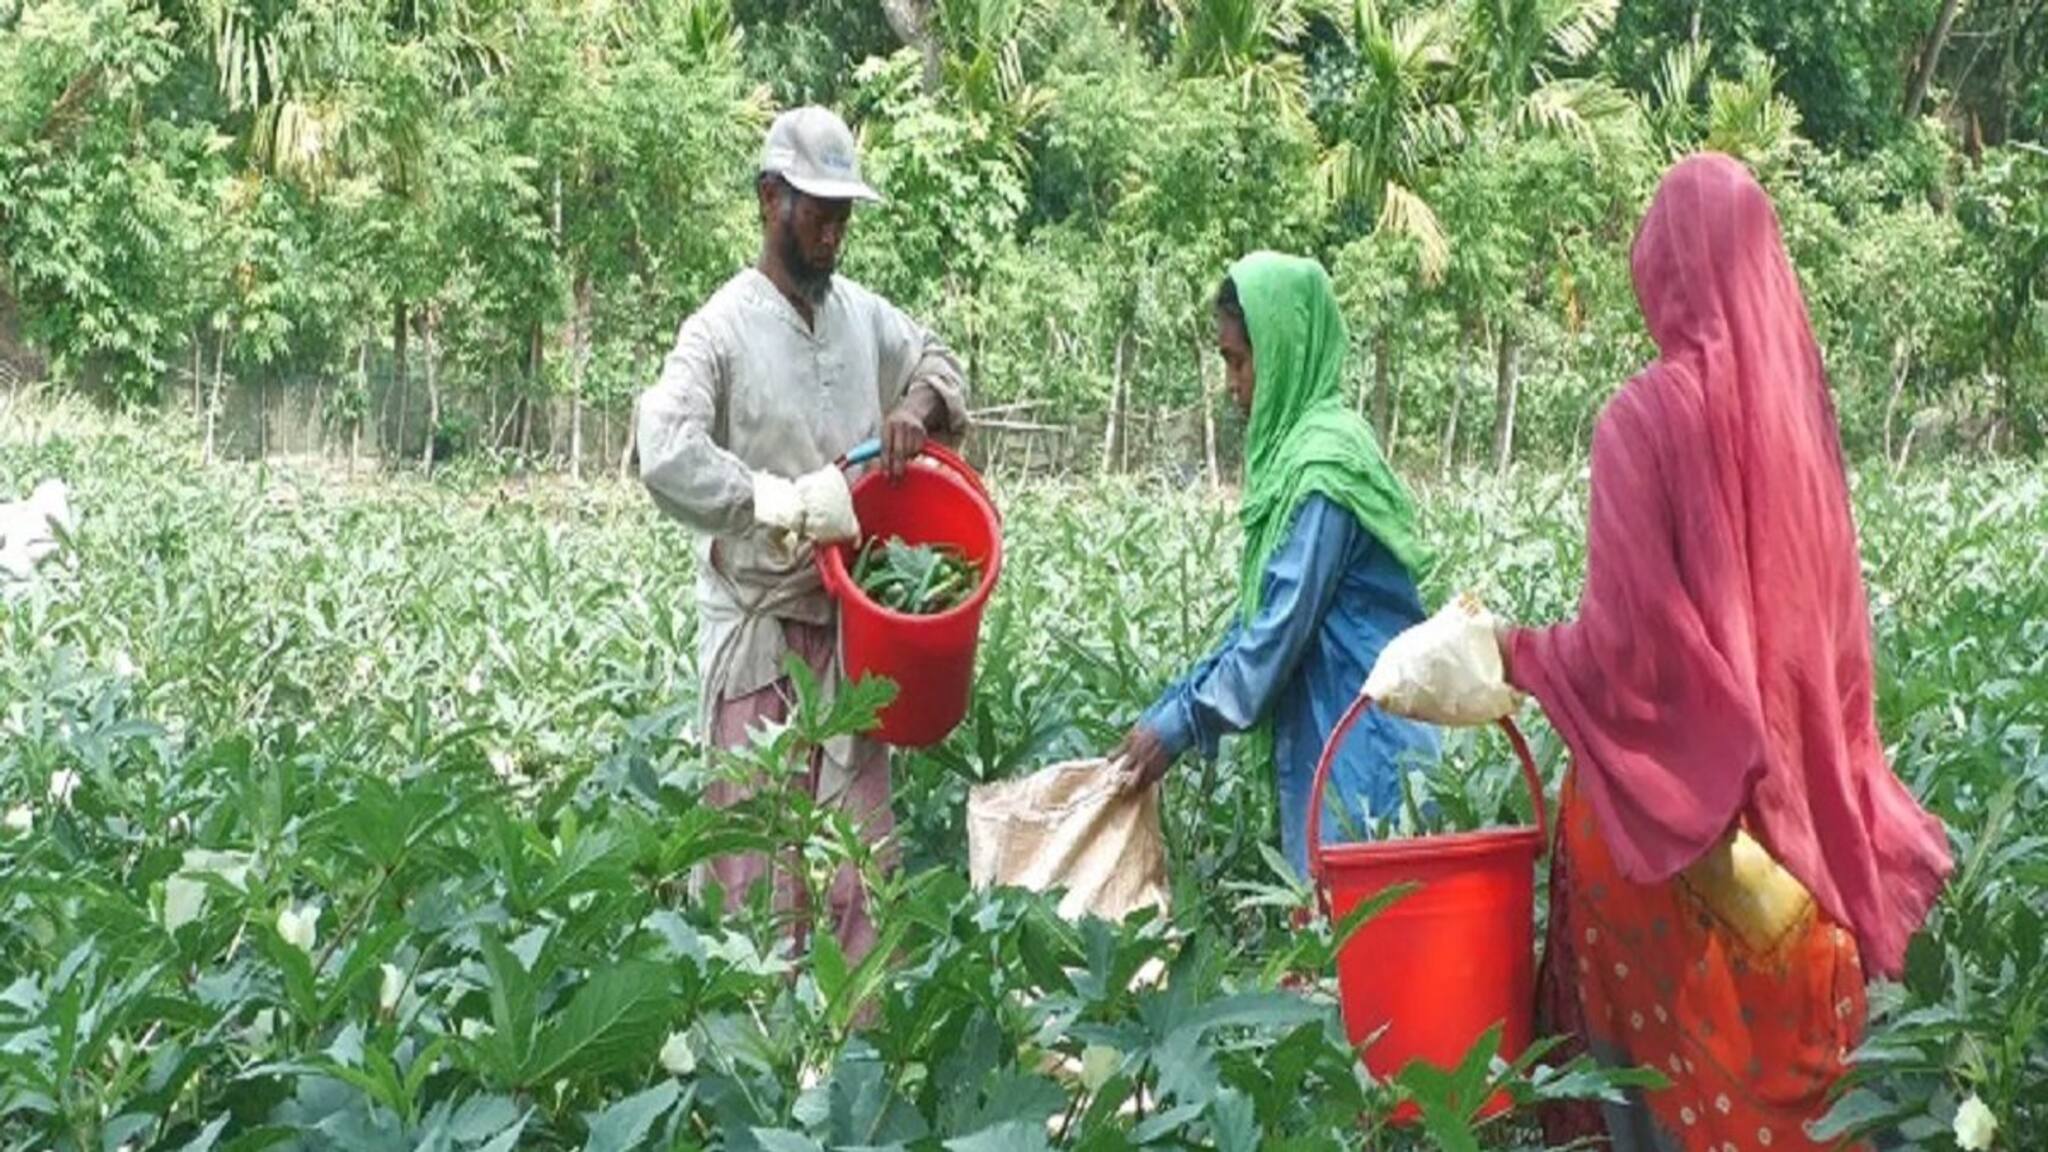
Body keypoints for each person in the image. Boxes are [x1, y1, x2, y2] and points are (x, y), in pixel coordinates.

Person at [1373, 154, 1953, 1150]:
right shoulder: (1801, 439)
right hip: (1801, 850)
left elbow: (1635, 664)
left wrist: (1514, 650)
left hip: (1670, 857)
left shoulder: (1642, 419)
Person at [635, 106, 968, 963]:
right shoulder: (721, 329)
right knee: (756, 866)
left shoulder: (862, 317)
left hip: (851, 633)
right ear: (768, 199)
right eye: (815, 211)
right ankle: (760, 1068)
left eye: (841, 215)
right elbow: (662, 447)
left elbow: (941, 364)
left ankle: (859, 1064)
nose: (831, 231)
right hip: (759, 626)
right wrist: (773, 501)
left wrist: (911, 409)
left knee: (862, 864)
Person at [1112, 251, 1439, 879]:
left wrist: (1176, 727)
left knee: (1356, 952)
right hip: (1329, 744)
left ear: (1283, 350)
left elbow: (1272, 640)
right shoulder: (1294, 462)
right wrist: (1167, 710)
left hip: (1366, 751)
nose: (1233, 385)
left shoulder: (1325, 472)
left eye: (1239, 361)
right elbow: (1258, 616)